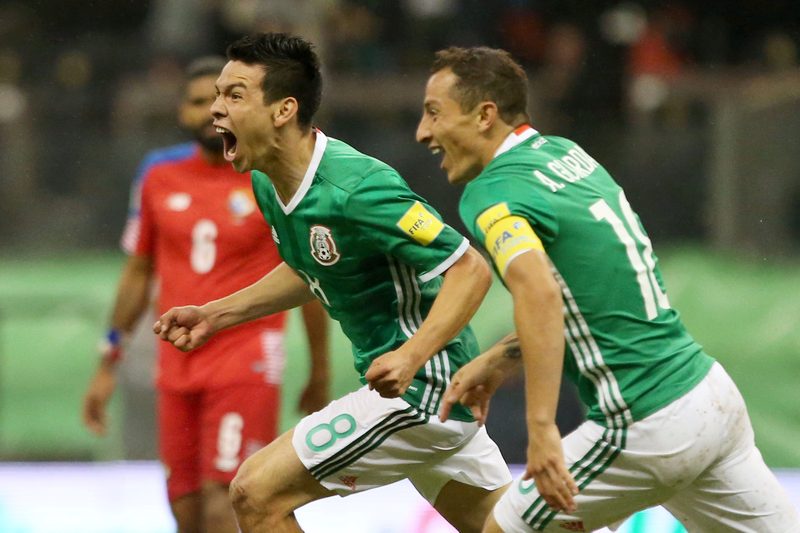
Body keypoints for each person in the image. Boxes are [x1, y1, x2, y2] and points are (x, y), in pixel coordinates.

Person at [417, 46, 800, 532]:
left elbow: (541, 294)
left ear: (484, 115)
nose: (423, 132)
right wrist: (501, 358)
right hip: (707, 396)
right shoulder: (567, 155)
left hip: (642, 421)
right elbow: (591, 298)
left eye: (434, 113)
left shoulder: (492, 192)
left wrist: (541, 429)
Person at [154, 33, 512, 533]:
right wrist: (216, 314)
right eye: (217, 95)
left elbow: (469, 268)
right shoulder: (267, 180)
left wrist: (412, 356)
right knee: (506, 527)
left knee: (254, 493)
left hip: (420, 391)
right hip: (424, 392)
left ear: (284, 110)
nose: (216, 109)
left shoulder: (356, 188)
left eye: (234, 95)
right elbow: (311, 267)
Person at [82, 56, 331, 533]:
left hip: (245, 356)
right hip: (176, 360)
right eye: (199, 101)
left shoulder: (267, 174)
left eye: (224, 100)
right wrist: (108, 359)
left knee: (228, 496)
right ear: (182, 111)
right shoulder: (158, 174)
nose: (209, 112)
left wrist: (319, 370)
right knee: (184, 502)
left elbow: (305, 276)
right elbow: (138, 272)